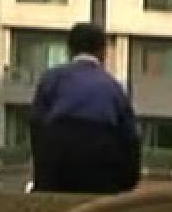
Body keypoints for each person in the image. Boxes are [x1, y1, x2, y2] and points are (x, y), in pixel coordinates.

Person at [28, 22, 140, 194]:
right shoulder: (113, 86)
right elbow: (130, 136)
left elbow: (36, 123)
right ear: (102, 51)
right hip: (101, 153)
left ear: (69, 49)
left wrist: (42, 172)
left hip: (59, 148)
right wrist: (128, 181)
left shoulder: (53, 77)